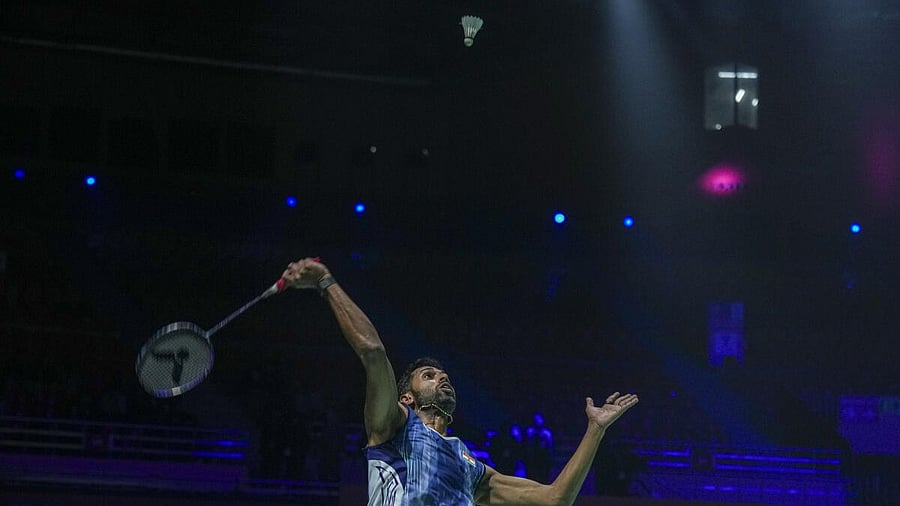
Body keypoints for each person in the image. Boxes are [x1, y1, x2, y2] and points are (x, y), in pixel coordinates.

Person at [282, 257, 639, 506]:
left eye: (444, 375)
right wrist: (325, 282)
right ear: (406, 398)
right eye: (428, 375)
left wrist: (595, 430)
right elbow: (373, 351)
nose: (442, 378)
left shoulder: (470, 466)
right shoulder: (392, 428)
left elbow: (555, 499)